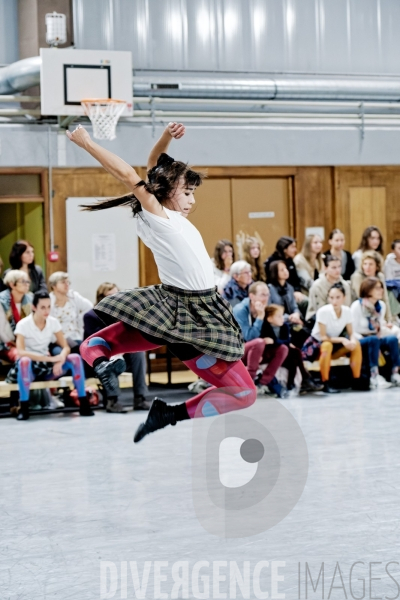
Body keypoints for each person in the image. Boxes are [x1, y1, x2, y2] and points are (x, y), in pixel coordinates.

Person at [67, 121, 257, 444]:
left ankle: (101, 360)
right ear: (166, 193)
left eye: (193, 192)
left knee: (101, 343)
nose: (192, 200)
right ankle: (165, 410)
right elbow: (131, 175)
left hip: (204, 307)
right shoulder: (157, 215)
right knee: (243, 393)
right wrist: (87, 144)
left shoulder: (175, 219)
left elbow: (153, 162)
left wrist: (167, 137)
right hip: (186, 312)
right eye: (186, 192)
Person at [5, 291, 93, 420]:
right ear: (34, 307)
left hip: (46, 365)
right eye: (42, 307)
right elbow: (21, 352)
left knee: (75, 358)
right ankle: (24, 409)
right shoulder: (23, 325)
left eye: (48, 307)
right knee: (24, 360)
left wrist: (60, 359)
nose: (46, 311)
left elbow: (66, 347)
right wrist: (50, 358)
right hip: (29, 366)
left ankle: (84, 404)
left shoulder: (53, 322)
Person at [83, 282, 152, 412]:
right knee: (107, 359)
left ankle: (140, 397)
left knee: (138, 353)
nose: (115, 298)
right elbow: (97, 342)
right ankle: (112, 400)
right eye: (110, 295)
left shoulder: (125, 314)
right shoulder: (90, 316)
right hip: (100, 359)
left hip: (122, 355)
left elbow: (132, 337)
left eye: (117, 295)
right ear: (101, 298)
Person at [302, 283, 362, 393]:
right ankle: (325, 382)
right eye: (331, 298)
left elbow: (351, 333)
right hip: (317, 346)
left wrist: (352, 340)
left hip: (335, 343)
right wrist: (343, 340)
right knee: (327, 345)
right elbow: (323, 337)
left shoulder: (347, 311)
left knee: (356, 344)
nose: (334, 301)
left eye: (338, 297)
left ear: (344, 298)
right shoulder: (323, 311)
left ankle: (356, 379)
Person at [233, 281, 288, 398]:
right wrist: (260, 317)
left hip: (256, 350)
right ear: (252, 296)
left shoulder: (263, 307)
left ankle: (263, 383)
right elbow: (248, 337)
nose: (266, 298)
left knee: (282, 349)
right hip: (237, 351)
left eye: (268, 294)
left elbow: (270, 334)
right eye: (263, 295)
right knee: (258, 342)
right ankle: (249, 382)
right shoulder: (240, 310)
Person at [351, 277, 400, 389]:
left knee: (392, 339)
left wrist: (389, 329)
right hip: (359, 338)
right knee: (374, 340)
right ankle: (374, 376)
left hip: (375, 336)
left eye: (381, 288)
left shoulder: (381, 305)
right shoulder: (357, 306)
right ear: (368, 290)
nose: (381, 291)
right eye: (377, 288)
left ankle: (395, 373)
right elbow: (352, 330)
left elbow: (379, 326)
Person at [262, 304, 323, 394]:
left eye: (282, 315)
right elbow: (270, 344)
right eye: (279, 316)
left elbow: (285, 341)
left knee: (294, 355)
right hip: (272, 354)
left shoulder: (285, 326)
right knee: (294, 353)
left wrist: (275, 341)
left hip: (284, 353)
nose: (282, 318)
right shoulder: (265, 327)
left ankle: (292, 383)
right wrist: (278, 342)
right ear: (270, 319)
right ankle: (304, 377)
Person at [49, 272, 93, 353]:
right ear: (53, 286)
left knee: (84, 350)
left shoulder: (73, 296)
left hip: (74, 337)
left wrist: (79, 320)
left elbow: (89, 307)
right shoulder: (49, 300)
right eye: (63, 282)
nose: (67, 284)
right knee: (58, 353)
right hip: (56, 339)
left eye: (67, 282)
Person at [264, 237, 307, 308]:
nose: (295, 250)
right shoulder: (272, 261)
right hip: (276, 291)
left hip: (290, 290)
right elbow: (270, 280)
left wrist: (297, 291)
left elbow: (295, 279)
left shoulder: (290, 261)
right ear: (284, 249)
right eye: (292, 247)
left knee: (306, 301)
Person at [0, 270, 32, 363]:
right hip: (5, 343)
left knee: (45, 355)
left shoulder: (31, 299)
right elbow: (2, 331)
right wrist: (17, 344)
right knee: (21, 357)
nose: (26, 284)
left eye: (27, 281)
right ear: (12, 284)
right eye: (23, 281)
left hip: (26, 342)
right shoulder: (1, 301)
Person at [306, 255, 352, 321]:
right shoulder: (317, 286)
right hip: (318, 318)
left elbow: (347, 306)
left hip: (341, 319)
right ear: (325, 268)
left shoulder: (345, 285)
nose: (338, 270)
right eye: (334, 267)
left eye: (339, 267)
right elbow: (320, 309)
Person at [350, 251, 393, 320]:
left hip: (376, 308)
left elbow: (385, 298)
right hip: (360, 310)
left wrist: (389, 320)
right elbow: (362, 297)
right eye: (365, 264)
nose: (367, 267)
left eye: (371, 264)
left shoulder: (380, 276)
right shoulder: (357, 277)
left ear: (377, 266)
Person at [267, 260, 302, 325]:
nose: (286, 271)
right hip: (278, 321)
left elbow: (294, 306)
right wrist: (289, 317)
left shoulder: (290, 287)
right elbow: (270, 310)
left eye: (286, 268)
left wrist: (296, 314)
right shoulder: (269, 289)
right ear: (275, 272)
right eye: (282, 270)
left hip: (293, 319)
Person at [384, 239, 400, 319]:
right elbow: (389, 280)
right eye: (399, 248)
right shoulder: (389, 262)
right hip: (394, 287)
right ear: (393, 251)